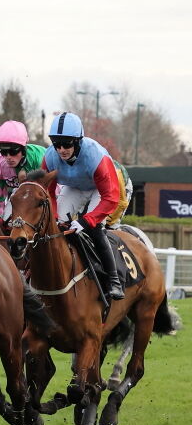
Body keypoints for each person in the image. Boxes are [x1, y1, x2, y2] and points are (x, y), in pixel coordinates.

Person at [42, 111, 125, 300]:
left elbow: (111, 198)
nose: (61, 149)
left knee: (94, 229)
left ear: (78, 141)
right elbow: (47, 192)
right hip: (74, 187)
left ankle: (114, 280)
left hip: (102, 190)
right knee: (57, 226)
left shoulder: (97, 158)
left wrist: (87, 221)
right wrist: (55, 216)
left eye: (67, 144)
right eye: (57, 144)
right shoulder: (50, 158)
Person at [0, 120, 46, 221]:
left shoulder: (40, 158)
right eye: (4, 152)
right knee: (7, 221)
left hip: (46, 193)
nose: (8, 157)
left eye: (13, 151)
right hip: (19, 193)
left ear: (24, 148)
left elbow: (54, 190)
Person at [107, 158, 133, 229]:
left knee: (110, 225)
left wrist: (107, 221)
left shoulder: (116, 173)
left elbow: (122, 203)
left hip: (122, 187)